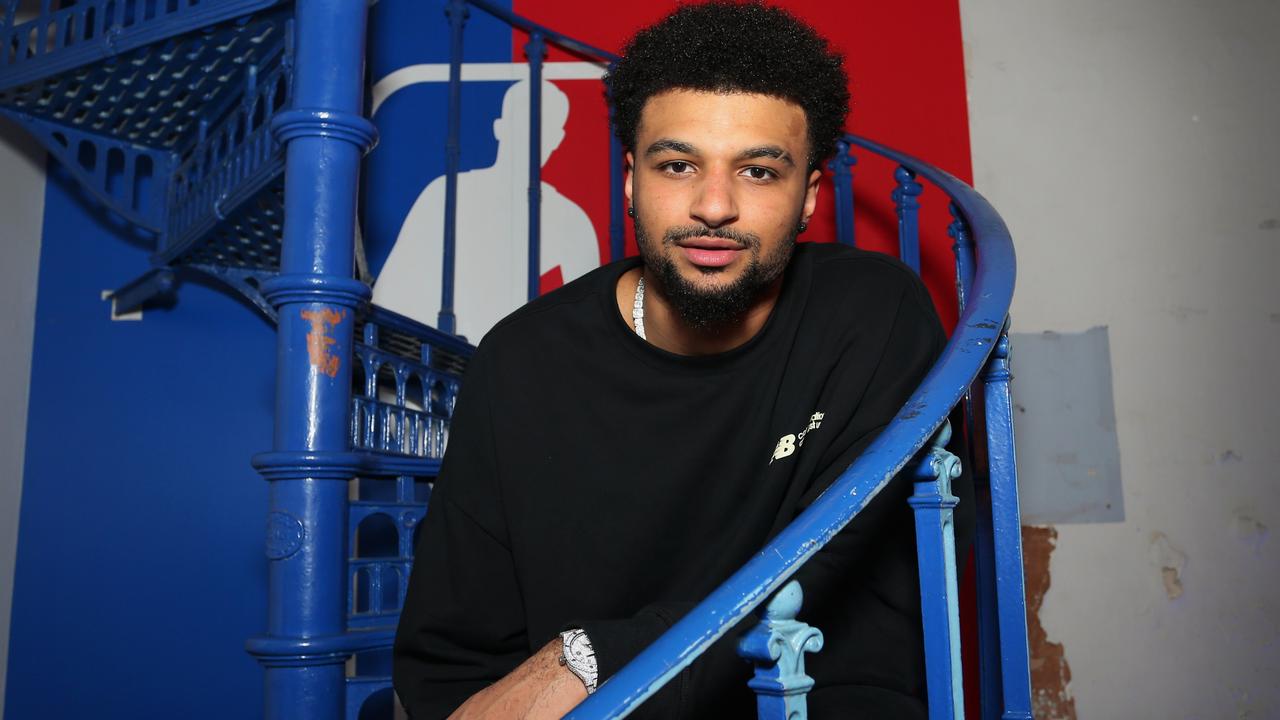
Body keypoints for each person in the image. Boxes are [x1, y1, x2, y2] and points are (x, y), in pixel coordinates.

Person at [393, 3, 973, 718]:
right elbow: (452, 661)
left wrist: (596, 656)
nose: (714, 205)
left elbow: (839, 582)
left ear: (809, 198)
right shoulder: (521, 362)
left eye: (759, 172)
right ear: (633, 180)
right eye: (678, 165)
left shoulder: (869, 315)